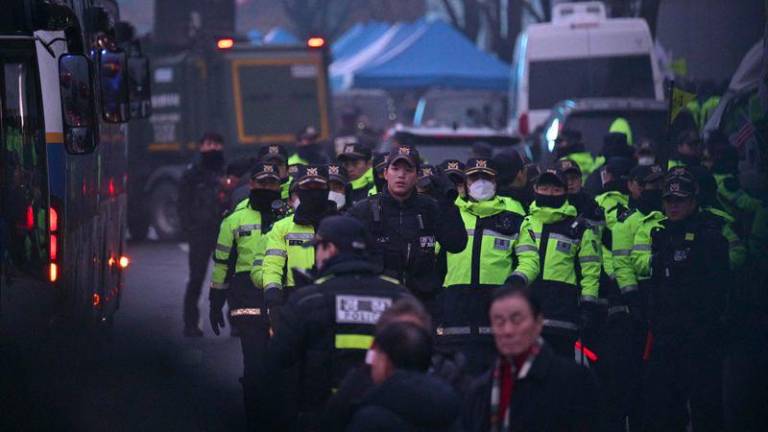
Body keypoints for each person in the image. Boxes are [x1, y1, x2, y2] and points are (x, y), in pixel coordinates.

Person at [266, 216, 410, 431]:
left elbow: (278, 360)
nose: (316, 256)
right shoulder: (399, 296)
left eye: (317, 248)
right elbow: (418, 359)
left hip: (322, 416)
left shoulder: (309, 299)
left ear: (330, 249)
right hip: (386, 416)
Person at [640, 168, 730, 432]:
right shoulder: (661, 235)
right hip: (666, 337)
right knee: (666, 409)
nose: (673, 206)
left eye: (679, 200)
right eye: (669, 200)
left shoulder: (710, 237)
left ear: (693, 201)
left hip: (701, 338)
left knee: (706, 408)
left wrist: (705, 326)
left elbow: (718, 289)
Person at [438, 158, 540, 374]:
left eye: (487, 177)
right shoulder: (452, 214)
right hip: (455, 311)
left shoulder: (514, 217)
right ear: (465, 182)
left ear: (496, 182)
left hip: (497, 314)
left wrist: (515, 282)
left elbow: (530, 259)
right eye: (475, 177)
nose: (481, 182)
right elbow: (434, 258)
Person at [463, 284, 603, 432]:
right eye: (499, 322)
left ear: (538, 323)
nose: (508, 330)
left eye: (517, 320)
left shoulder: (575, 380)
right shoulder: (479, 391)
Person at [208, 162, 282, 430]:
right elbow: (221, 264)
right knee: (254, 369)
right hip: (246, 300)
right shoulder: (234, 220)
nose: (266, 188)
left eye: (272, 184)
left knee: (282, 369)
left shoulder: (290, 218)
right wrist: (215, 302)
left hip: (280, 299)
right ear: (251, 185)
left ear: (280, 186)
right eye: (261, 183)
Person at [349, 146, 468, 305]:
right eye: (395, 169)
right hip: (379, 301)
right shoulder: (364, 210)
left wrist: (447, 204)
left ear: (417, 175)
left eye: (408, 170)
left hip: (423, 303)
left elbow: (457, 244)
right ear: (385, 173)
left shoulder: (431, 208)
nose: (401, 175)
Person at [609, 163, 665, 430]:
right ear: (637, 187)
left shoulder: (670, 218)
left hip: (669, 304)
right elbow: (623, 265)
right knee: (633, 376)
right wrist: (633, 300)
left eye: (658, 184)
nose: (653, 189)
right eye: (649, 184)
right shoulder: (627, 224)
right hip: (640, 303)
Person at [523, 167, 601, 358]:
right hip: (527, 314)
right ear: (535, 189)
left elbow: (590, 270)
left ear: (565, 193)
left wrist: (588, 306)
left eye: (556, 190)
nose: (550, 194)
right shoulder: (524, 223)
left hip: (563, 315)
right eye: (545, 188)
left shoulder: (580, 229)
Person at [345, 321, 461, 432]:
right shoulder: (452, 409)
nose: (372, 362)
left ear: (386, 362)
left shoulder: (370, 418)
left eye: (377, 354)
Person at [261, 165, 336, 322]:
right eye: (307, 187)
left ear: (327, 189)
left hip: (333, 298)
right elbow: (272, 265)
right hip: (294, 299)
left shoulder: (342, 224)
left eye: (318, 186)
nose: (313, 191)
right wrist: (273, 295)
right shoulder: (282, 227)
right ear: (298, 191)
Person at [177, 132, 228, 337]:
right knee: (196, 278)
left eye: (216, 144)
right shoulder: (192, 173)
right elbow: (182, 204)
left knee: (229, 278)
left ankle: (238, 322)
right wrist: (188, 228)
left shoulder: (227, 171)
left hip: (224, 232)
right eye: (208, 144)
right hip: (199, 233)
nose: (212, 148)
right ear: (201, 147)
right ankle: (190, 324)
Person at [555, 159, 602, 224]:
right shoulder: (551, 206)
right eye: (564, 179)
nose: (570, 182)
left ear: (581, 180)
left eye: (573, 178)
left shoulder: (592, 205)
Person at [337, 140, 376, 204]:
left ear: (369, 164)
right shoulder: (339, 186)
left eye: (355, 164)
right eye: (346, 164)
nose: (350, 169)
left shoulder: (376, 186)